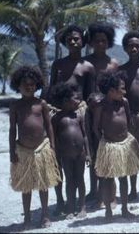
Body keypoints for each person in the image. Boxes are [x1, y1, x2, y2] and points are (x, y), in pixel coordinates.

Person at [46, 24, 95, 216]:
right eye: (69, 39)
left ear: (82, 41)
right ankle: (60, 202)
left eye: (76, 38)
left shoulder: (87, 67)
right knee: (57, 162)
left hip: (79, 112)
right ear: (65, 42)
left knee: (78, 161)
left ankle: (81, 203)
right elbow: (51, 89)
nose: (73, 41)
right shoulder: (57, 64)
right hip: (57, 113)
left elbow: (91, 94)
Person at [9, 65, 61, 229]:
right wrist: (12, 151)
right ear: (18, 86)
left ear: (37, 85)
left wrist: (52, 146)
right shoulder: (16, 106)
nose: (29, 87)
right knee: (27, 186)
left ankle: (45, 216)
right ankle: (27, 218)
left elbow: (49, 126)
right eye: (25, 84)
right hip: (23, 150)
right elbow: (12, 130)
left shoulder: (41, 104)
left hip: (41, 149)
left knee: (43, 184)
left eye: (32, 84)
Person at [91, 70, 139, 221]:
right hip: (109, 146)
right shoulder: (101, 106)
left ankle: (125, 209)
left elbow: (128, 120)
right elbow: (95, 127)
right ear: (111, 91)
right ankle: (108, 210)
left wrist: (131, 140)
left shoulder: (124, 102)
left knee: (123, 178)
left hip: (124, 144)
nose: (125, 91)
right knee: (107, 179)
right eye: (122, 88)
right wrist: (103, 143)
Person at [83, 22, 118, 205]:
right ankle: (94, 190)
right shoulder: (86, 62)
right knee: (94, 151)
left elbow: (118, 88)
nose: (100, 44)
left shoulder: (113, 63)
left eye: (104, 40)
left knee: (109, 149)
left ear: (109, 42)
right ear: (91, 42)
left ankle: (110, 192)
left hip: (109, 112)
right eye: (97, 41)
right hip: (90, 111)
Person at [51, 83, 91, 219]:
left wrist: (88, 154)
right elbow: (54, 138)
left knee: (80, 179)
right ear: (65, 100)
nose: (79, 101)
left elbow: (84, 135)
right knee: (70, 180)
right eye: (75, 98)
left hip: (80, 154)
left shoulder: (79, 116)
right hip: (66, 155)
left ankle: (82, 207)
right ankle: (70, 208)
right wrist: (55, 156)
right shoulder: (56, 118)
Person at [118, 31, 139, 201]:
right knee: (130, 153)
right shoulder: (121, 70)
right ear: (125, 48)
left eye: (137, 45)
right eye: (130, 45)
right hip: (127, 117)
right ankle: (132, 189)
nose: (134, 48)